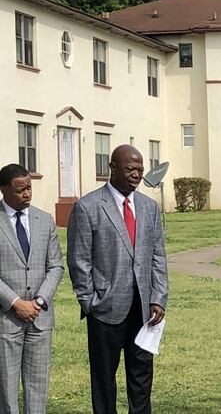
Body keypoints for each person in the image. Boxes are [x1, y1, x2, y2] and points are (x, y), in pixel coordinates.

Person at [67, 144, 168, 414]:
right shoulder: (87, 207)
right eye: (129, 169)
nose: (136, 174)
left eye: (140, 169)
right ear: (111, 168)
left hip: (144, 310)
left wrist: (158, 298)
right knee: (103, 379)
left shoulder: (149, 207)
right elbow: (79, 261)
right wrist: (89, 302)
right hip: (105, 310)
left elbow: (158, 255)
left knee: (142, 376)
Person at [0, 164, 64, 414]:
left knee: (38, 387)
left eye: (29, 187)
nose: (27, 193)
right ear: (4, 190)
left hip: (40, 319)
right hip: (6, 320)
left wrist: (39, 301)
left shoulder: (44, 220)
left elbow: (56, 266)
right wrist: (16, 302)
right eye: (20, 190)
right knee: (6, 389)